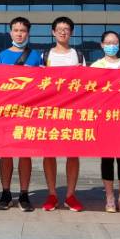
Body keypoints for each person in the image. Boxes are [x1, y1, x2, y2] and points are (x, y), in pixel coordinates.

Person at [0, 16, 41, 212]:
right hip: (6, 111)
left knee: (25, 153)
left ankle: (23, 194)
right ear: (10, 32)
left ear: (28, 33)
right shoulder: (2, 56)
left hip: (28, 112)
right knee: (5, 153)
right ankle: (5, 193)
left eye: (23, 31)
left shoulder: (36, 56)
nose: (19, 34)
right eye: (16, 30)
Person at [42, 16, 86, 212]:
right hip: (50, 110)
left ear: (71, 32)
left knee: (73, 153)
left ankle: (70, 195)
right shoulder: (45, 55)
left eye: (66, 29)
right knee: (48, 153)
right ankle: (52, 194)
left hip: (73, 110)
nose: (62, 32)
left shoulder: (78, 55)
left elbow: (87, 83)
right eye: (59, 29)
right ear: (53, 32)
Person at [91, 31, 120, 214]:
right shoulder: (95, 66)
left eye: (114, 42)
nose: (111, 46)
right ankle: (109, 196)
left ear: (119, 44)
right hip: (104, 119)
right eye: (108, 43)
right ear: (102, 45)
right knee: (107, 159)